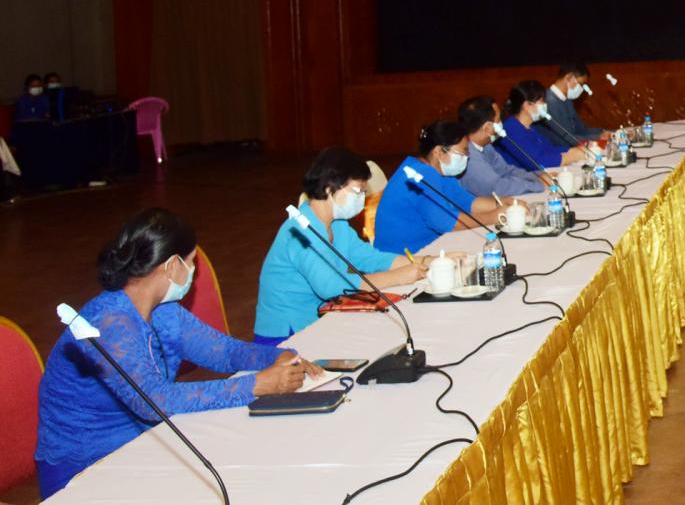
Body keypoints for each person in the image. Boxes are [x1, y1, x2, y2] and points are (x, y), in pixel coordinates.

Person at [34, 208, 314, 496]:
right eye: (191, 262)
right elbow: (154, 401)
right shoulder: (110, 324)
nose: (194, 272)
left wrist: (276, 357)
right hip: (85, 467)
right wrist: (256, 385)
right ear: (170, 266)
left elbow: (223, 352)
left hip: (143, 446)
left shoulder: (162, 310)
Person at [254, 148, 431, 344]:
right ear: (329, 188)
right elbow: (332, 287)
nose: (362, 198)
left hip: (320, 318)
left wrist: (426, 262)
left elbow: (368, 257)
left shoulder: (337, 224)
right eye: (358, 191)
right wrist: (399, 276)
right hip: (286, 331)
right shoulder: (300, 230)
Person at [374, 120, 515, 253]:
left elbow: (468, 202)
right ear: (439, 152)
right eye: (463, 152)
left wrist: (504, 203)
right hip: (404, 256)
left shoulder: (438, 171)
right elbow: (448, 223)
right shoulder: (421, 175)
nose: (467, 157)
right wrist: (494, 216)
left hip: (429, 248)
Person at [457, 96, 547, 198]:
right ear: (488, 127)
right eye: (498, 119)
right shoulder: (468, 156)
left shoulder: (486, 146)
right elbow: (498, 188)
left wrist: (537, 176)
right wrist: (538, 186)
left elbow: (506, 171)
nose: (501, 123)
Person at [497, 80, 587, 171]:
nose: (545, 104)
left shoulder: (531, 128)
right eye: (541, 101)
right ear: (527, 105)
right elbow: (538, 162)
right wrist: (569, 157)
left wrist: (572, 150)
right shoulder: (511, 129)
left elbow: (549, 149)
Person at [541, 63, 604, 146]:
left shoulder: (567, 101)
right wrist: (598, 137)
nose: (581, 89)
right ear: (569, 77)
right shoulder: (549, 101)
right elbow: (564, 139)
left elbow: (582, 129)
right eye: (581, 84)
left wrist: (605, 133)